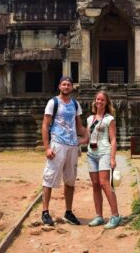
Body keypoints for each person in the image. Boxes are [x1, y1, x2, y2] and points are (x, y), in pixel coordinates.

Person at [41, 76, 86, 226]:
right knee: (50, 177)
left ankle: (68, 211)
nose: (66, 87)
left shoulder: (75, 104)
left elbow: (78, 125)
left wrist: (87, 135)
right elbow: (45, 125)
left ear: (72, 87)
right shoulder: (52, 102)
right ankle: (45, 211)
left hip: (72, 145)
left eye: (69, 85)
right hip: (57, 143)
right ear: (59, 86)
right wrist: (47, 147)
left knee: (70, 180)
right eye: (64, 84)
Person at [83, 90, 121, 229]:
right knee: (95, 185)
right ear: (95, 101)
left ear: (106, 103)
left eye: (102, 100)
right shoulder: (89, 119)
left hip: (104, 153)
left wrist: (112, 157)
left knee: (104, 183)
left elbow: (113, 139)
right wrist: (72, 141)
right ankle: (99, 216)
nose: (99, 102)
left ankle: (115, 215)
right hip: (91, 154)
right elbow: (87, 139)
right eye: (97, 99)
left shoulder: (109, 119)